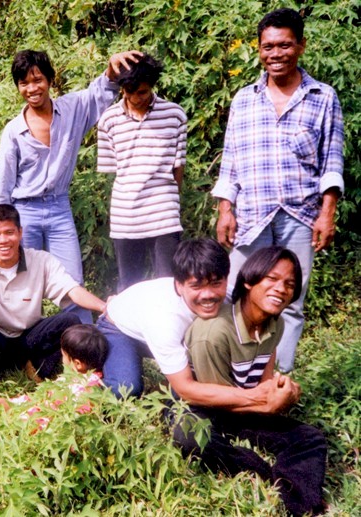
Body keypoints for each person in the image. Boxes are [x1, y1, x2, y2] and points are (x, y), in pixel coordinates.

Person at [212, 8, 345, 372]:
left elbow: (332, 161)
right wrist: (226, 209)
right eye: (268, 46)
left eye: (285, 45)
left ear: (301, 46)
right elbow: (231, 162)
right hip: (251, 215)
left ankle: (276, 379)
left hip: (299, 215)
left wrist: (326, 212)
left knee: (290, 299)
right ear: (259, 50)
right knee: (235, 293)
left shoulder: (322, 96)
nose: (276, 54)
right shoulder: (244, 99)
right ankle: (229, 375)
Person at [0, 49, 142, 322]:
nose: (32, 88)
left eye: (37, 80)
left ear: (50, 80)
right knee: (21, 283)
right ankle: (26, 349)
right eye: (24, 83)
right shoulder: (14, 131)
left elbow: (100, 93)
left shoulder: (71, 110)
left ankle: (82, 351)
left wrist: (111, 70)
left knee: (73, 281)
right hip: (24, 212)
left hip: (59, 209)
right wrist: (0, 230)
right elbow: (2, 187)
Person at [180, 246, 327, 516]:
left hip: (241, 404)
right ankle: (259, 471)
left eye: (289, 284)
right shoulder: (213, 331)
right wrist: (268, 406)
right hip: (205, 406)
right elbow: (217, 403)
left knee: (311, 438)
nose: (281, 289)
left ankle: (299, 505)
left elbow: (263, 381)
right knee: (193, 439)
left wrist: (283, 392)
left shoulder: (275, 323)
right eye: (272, 279)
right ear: (249, 280)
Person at [97, 238, 299, 414]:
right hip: (120, 328)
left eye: (215, 283)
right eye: (196, 286)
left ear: (226, 279)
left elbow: (262, 329)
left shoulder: (230, 296)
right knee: (126, 389)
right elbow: (186, 389)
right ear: (179, 286)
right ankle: (86, 383)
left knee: (200, 386)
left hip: (161, 329)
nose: (208, 294)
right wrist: (254, 398)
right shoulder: (164, 319)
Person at [0, 204, 107, 382]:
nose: (3, 240)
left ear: (20, 233)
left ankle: (36, 368)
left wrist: (105, 306)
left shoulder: (41, 260)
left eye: (9, 232)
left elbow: (72, 290)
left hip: (28, 339)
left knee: (70, 321)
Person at [97, 53, 187, 292]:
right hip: (126, 216)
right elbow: (115, 170)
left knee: (168, 286)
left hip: (164, 214)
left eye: (142, 93)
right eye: (128, 91)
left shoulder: (175, 115)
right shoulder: (108, 120)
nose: (135, 98)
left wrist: (168, 201)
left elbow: (178, 168)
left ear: (152, 87)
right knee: (129, 287)